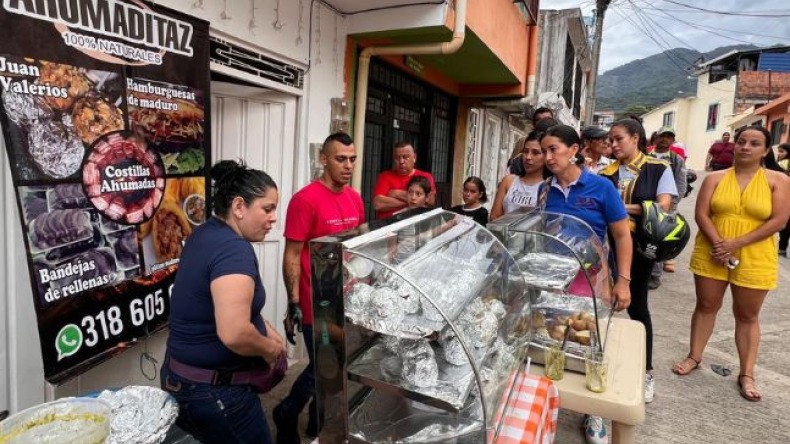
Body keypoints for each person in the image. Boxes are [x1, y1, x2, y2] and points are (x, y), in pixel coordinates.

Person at [161, 159, 286, 444]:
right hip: (214, 393)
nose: (273, 218)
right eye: (267, 209)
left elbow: (225, 307)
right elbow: (234, 332)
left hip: (182, 378)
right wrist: (269, 351)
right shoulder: (233, 250)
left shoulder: (205, 233)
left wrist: (265, 328)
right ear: (239, 207)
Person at [672, 126, 790, 402]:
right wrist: (720, 244)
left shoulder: (779, 180)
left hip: (755, 254)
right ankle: (694, 356)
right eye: (741, 142)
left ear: (765, 150)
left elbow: (779, 221)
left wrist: (735, 244)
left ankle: (747, 373)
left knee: (747, 315)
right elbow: (702, 214)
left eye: (754, 143)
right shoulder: (714, 178)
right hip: (712, 249)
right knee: (706, 305)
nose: (745, 147)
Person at [540, 125, 633, 444]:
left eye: (554, 149)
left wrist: (623, 281)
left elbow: (622, 235)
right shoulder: (545, 190)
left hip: (591, 278)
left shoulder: (601, 187)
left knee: (590, 341)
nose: (548, 157)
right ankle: (551, 401)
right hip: (555, 279)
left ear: (574, 148)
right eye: (544, 151)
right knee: (555, 338)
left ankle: (595, 412)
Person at [275, 132, 365, 443]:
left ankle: (317, 420)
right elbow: (291, 254)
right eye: (341, 158)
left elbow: (357, 249)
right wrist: (294, 302)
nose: (348, 165)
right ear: (323, 159)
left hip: (347, 298)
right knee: (324, 368)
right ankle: (286, 411)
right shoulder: (305, 200)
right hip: (316, 302)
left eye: (352, 158)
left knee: (336, 367)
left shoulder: (354, 198)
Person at [599, 118, 678, 405]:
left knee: (637, 305)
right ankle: (600, 363)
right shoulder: (605, 172)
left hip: (641, 245)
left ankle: (646, 371)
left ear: (636, 138)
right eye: (611, 140)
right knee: (600, 307)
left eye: (619, 138)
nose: (614, 145)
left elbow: (663, 206)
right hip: (605, 244)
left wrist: (618, 207)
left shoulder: (658, 168)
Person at [647, 127, 687, 285]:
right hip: (646, 203)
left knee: (660, 238)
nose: (665, 140)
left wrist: (673, 204)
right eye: (662, 136)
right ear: (655, 138)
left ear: (673, 140)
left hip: (665, 205)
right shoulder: (645, 156)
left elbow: (681, 185)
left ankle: (655, 275)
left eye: (669, 137)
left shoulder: (677, 160)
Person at [490, 131, 549, 221]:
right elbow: (494, 217)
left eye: (535, 153)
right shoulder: (508, 181)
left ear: (546, 156)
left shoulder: (548, 186)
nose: (528, 157)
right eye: (525, 151)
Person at [372, 142, 436, 219]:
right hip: (388, 225)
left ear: (414, 157)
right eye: (397, 158)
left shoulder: (425, 176)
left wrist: (397, 193)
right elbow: (378, 204)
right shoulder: (385, 176)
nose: (401, 161)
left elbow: (430, 201)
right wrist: (415, 201)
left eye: (405, 157)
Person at [777, 143, 790, 257]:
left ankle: (782, 248)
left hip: (786, 197)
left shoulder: (783, 164)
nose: (779, 154)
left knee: (785, 224)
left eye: (781, 151)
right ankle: (782, 248)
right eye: (778, 151)